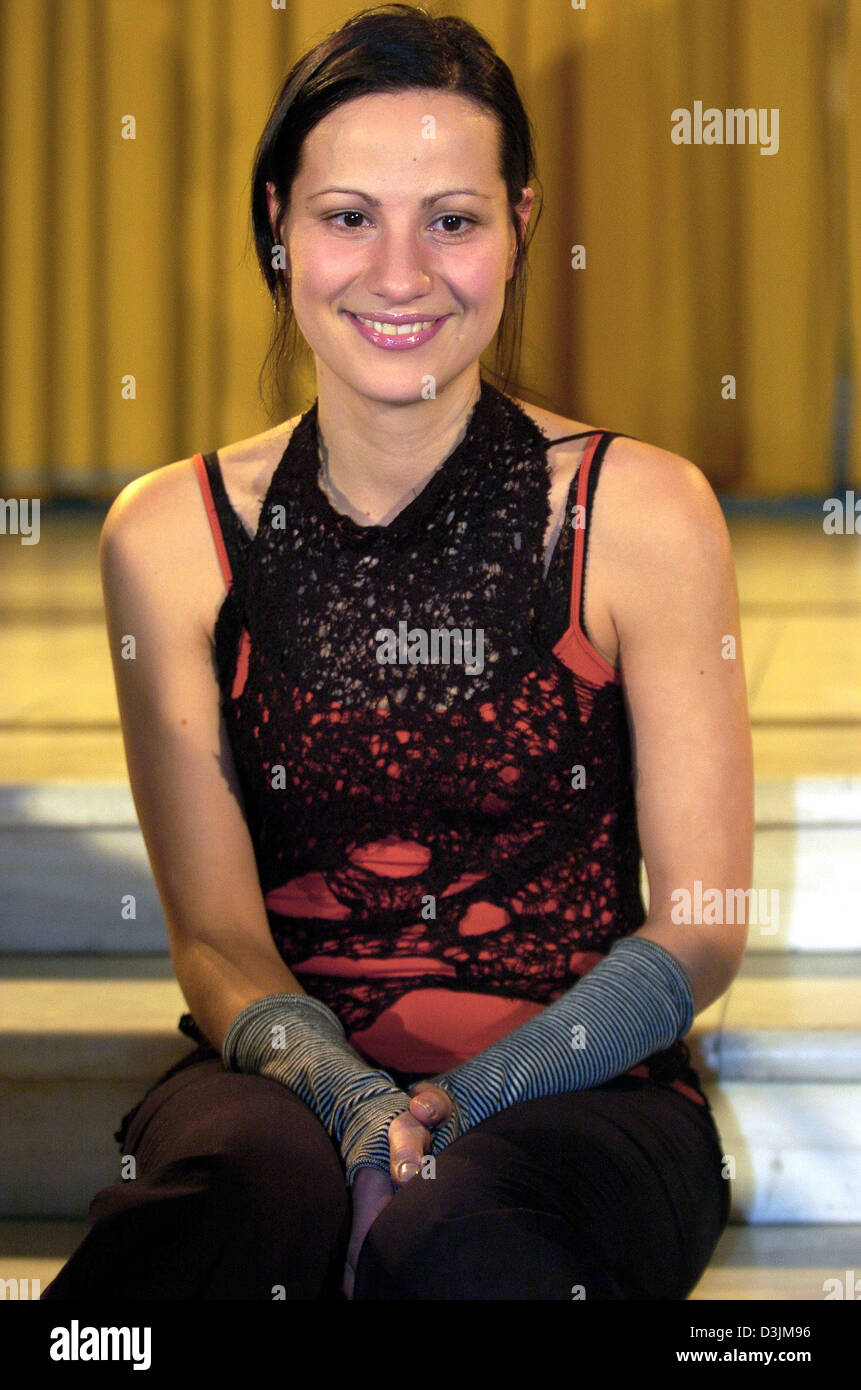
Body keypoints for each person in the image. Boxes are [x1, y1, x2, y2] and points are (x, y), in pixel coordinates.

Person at [42, 3, 751, 1302]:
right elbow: (212, 934)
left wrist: (475, 1093)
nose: (401, 271)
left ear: (519, 226)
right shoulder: (171, 534)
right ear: (276, 223)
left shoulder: (640, 508)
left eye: (454, 218)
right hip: (277, 1076)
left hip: (588, 1090)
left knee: (466, 1239)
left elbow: (697, 924)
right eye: (348, 213)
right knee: (221, 1221)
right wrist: (353, 1098)